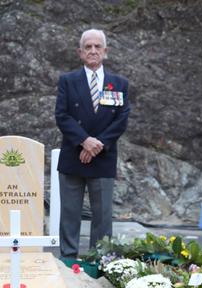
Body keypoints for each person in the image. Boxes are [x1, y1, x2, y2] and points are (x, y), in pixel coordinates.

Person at [55, 29, 130, 259]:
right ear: (80, 52)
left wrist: (97, 145)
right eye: (88, 47)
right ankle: (68, 260)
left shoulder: (120, 83)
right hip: (73, 155)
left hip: (103, 157)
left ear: (105, 52)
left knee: (102, 217)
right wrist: (84, 141)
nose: (93, 51)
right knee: (69, 214)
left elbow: (121, 119)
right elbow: (62, 116)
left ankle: (99, 261)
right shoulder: (67, 81)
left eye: (98, 46)